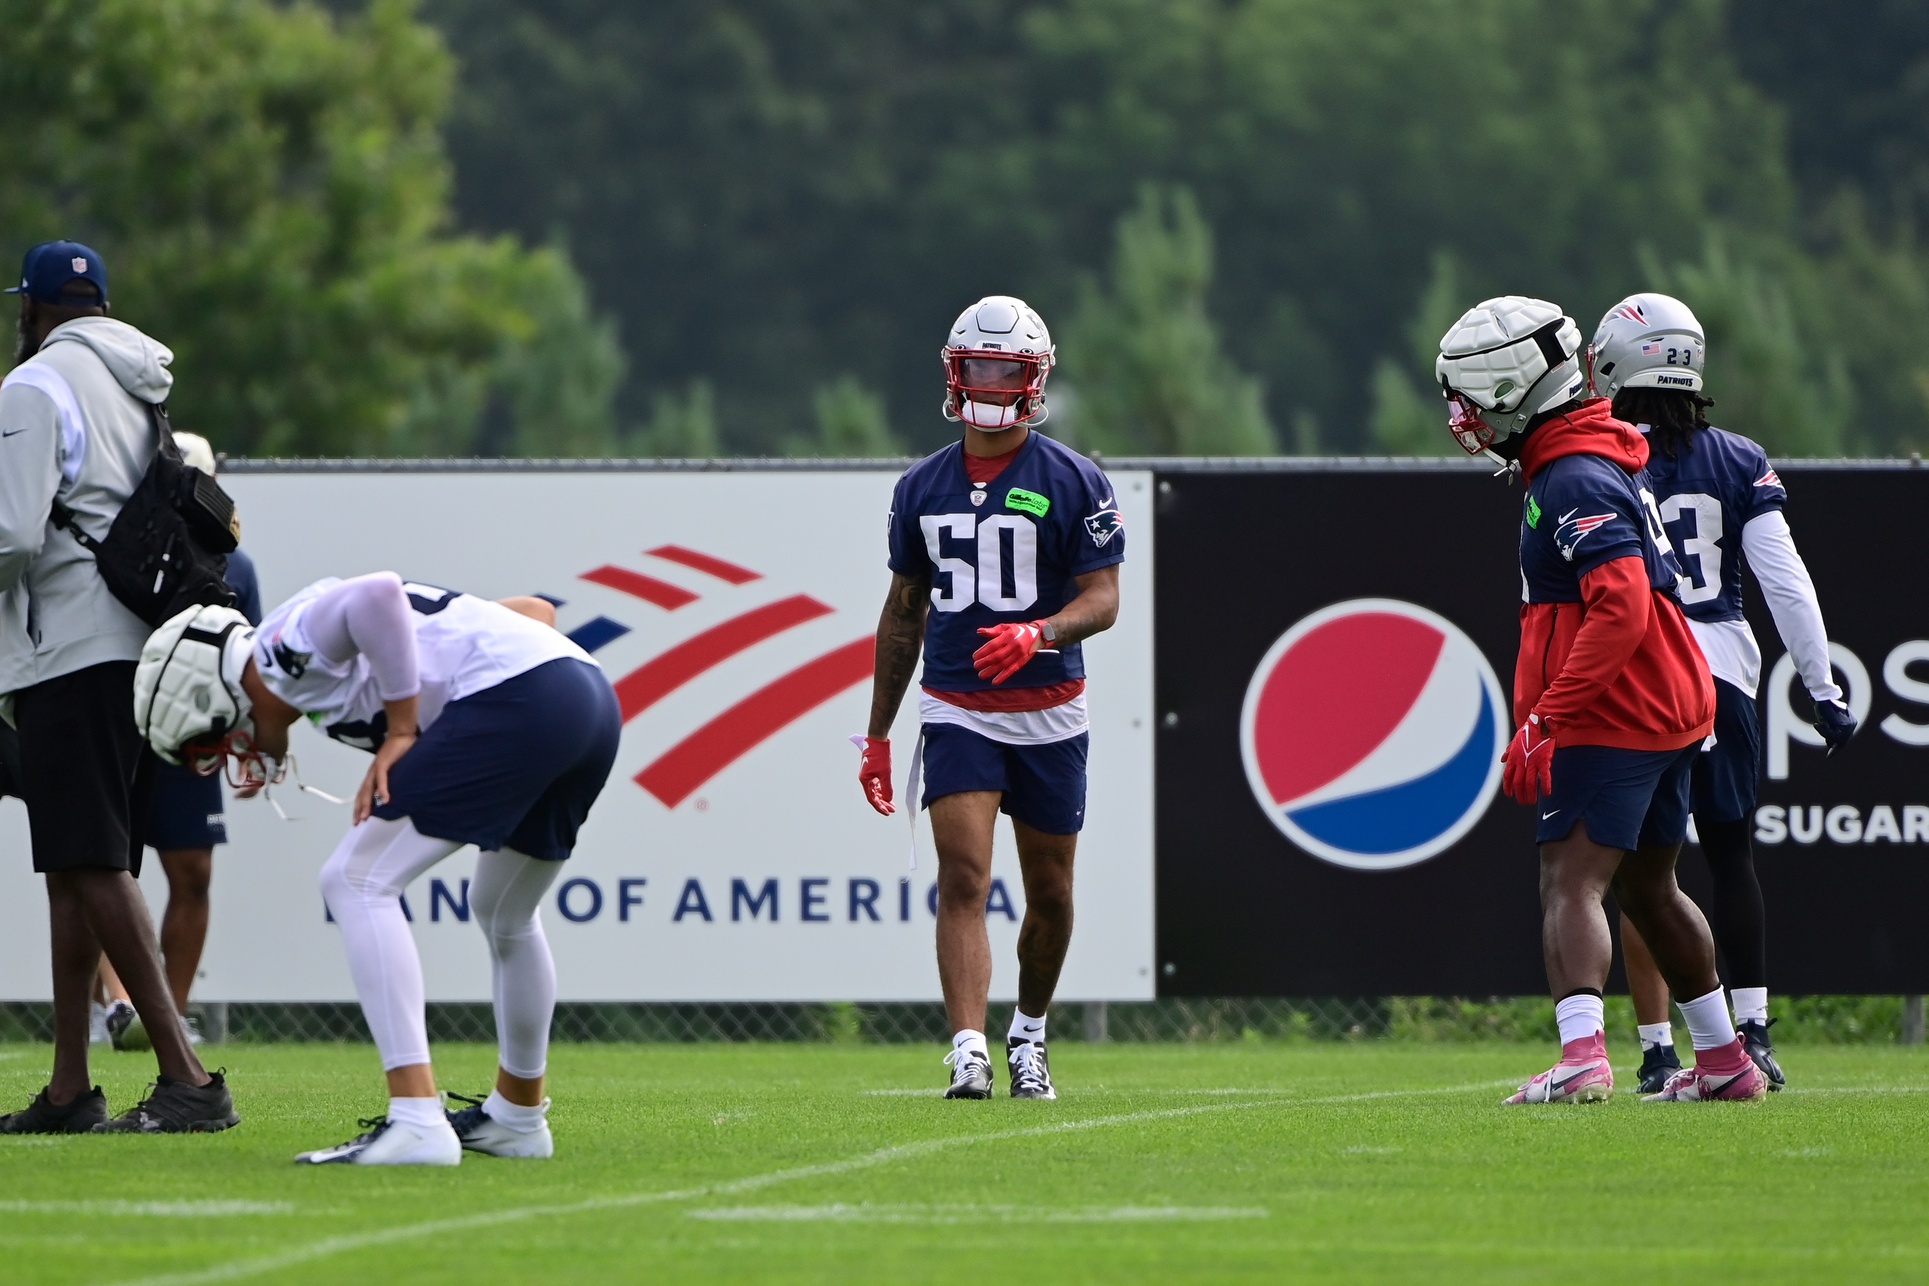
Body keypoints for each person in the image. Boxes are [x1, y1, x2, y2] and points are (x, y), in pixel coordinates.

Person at [136, 572, 618, 1164]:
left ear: (211, 695)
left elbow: (378, 594)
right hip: (586, 699)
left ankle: (416, 1119)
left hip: (526, 697)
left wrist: (404, 727)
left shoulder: (280, 650)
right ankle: (517, 1116)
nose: (231, 754)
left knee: (355, 880)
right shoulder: (295, 668)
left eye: (210, 743)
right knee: (505, 911)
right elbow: (533, 612)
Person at [1435, 294, 1765, 1104]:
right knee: (1649, 886)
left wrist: (1550, 714)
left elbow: (1616, 602)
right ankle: (1725, 1064)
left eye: (1468, 396)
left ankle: (1582, 1056)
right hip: (1665, 696)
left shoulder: (1574, 474)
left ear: (1513, 390)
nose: (1459, 415)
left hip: (1618, 705)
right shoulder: (1586, 456)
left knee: (1568, 879)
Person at [1588, 294, 1856, 1092]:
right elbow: (1785, 583)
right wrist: (1822, 685)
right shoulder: (1737, 458)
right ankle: (1752, 1033)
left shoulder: (1593, 459)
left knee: (1643, 870)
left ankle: (1658, 1046)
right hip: (1719, 672)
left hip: (1635, 675)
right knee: (1730, 856)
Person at [861, 295, 1123, 1100]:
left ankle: (1029, 1035)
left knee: (1049, 893)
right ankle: (969, 1048)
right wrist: (875, 734)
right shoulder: (921, 486)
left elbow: (1103, 600)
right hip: (958, 702)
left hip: (1048, 707)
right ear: (952, 370)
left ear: (1033, 379)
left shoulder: (1074, 478)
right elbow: (904, 611)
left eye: (1003, 369)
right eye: (975, 365)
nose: (987, 382)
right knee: (964, 876)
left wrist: (1038, 633)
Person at [0, 240, 235, 1134]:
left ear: (32, 308)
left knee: (92, 863)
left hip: (71, 645)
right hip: (141, 640)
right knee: (75, 865)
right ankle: (68, 1089)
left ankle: (188, 1079)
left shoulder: (33, 387)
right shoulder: (138, 381)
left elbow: (14, 537)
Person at [104, 432, 263, 1053]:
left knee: (192, 871)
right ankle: (117, 1005)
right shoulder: (122, 549)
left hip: (190, 738)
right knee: (101, 863)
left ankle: (169, 1015)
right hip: (117, 726)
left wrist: (246, 739)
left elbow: (249, 663)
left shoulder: (237, 567)